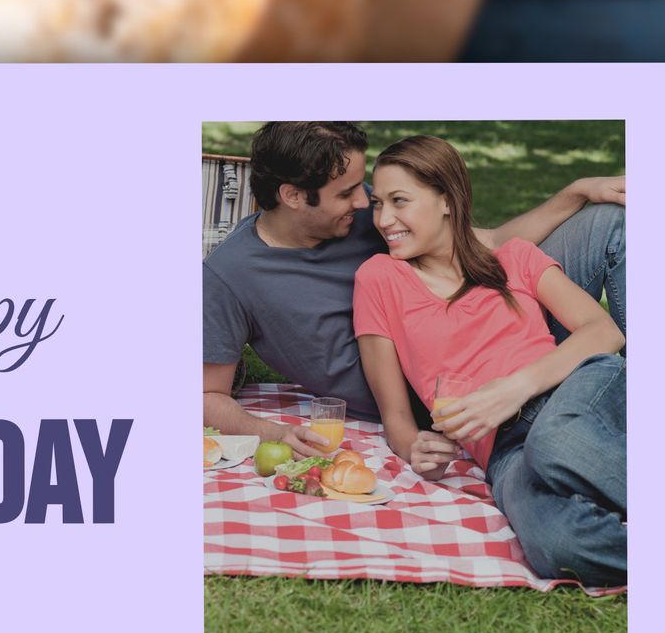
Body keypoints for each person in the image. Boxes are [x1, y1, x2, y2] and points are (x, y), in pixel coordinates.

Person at [203, 122, 626, 458]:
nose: (366, 204)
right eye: (347, 192)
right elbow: (205, 396)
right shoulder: (229, 277)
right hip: (435, 398)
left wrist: (577, 191)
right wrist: (273, 433)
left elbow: (489, 243)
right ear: (293, 196)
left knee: (610, 222)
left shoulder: (366, 211)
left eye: (365, 190)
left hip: (495, 334)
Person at [354, 135, 625, 585]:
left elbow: (604, 331)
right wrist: (414, 448)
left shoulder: (512, 256)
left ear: (446, 198)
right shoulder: (378, 278)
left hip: (573, 392)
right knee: (556, 544)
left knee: (555, 443)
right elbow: (397, 419)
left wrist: (513, 389)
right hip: (503, 449)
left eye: (399, 201)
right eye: (378, 203)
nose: (384, 219)